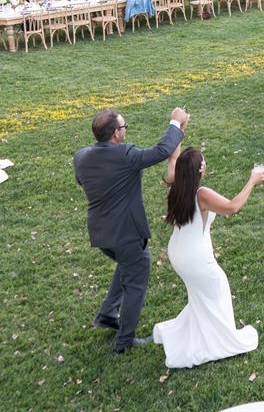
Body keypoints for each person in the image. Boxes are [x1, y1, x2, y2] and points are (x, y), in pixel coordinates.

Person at [74, 107, 187, 353]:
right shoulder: (126, 155)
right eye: (124, 127)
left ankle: (107, 313)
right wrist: (175, 123)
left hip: (101, 234)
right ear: (116, 133)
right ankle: (125, 341)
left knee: (127, 264)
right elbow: (161, 151)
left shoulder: (81, 157)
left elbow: (83, 180)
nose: (125, 130)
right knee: (136, 278)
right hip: (127, 234)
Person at [152, 147, 264, 368]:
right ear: (200, 169)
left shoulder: (176, 185)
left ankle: (193, 332)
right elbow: (232, 207)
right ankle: (219, 341)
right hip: (195, 259)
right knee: (217, 288)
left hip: (178, 252)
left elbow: (173, 159)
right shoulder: (201, 194)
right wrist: (252, 180)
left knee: (201, 296)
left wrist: (179, 131)